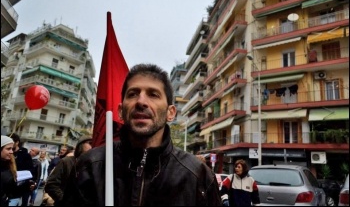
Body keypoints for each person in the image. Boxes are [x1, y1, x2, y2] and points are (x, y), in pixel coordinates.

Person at [63, 63, 221, 206]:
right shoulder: (89, 166)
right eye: (132, 94)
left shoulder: (197, 175)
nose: (141, 102)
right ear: (120, 111)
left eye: (153, 94)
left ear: (170, 113)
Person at [45, 135, 92, 206]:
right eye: (90, 143)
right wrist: (64, 199)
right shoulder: (66, 161)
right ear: (81, 145)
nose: (93, 146)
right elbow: (51, 184)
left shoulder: (94, 165)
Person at [7, 133, 34, 207]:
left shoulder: (25, 155)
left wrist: (32, 182)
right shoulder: (6, 154)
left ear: (17, 142)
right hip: (8, 187)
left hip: (21, 186)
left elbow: (30, 170)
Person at [1, 136, 18, 206]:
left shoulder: (10, 165)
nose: (11, 152)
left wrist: (28, 186)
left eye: (12, 149)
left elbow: (12, 189)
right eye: (8, 149)